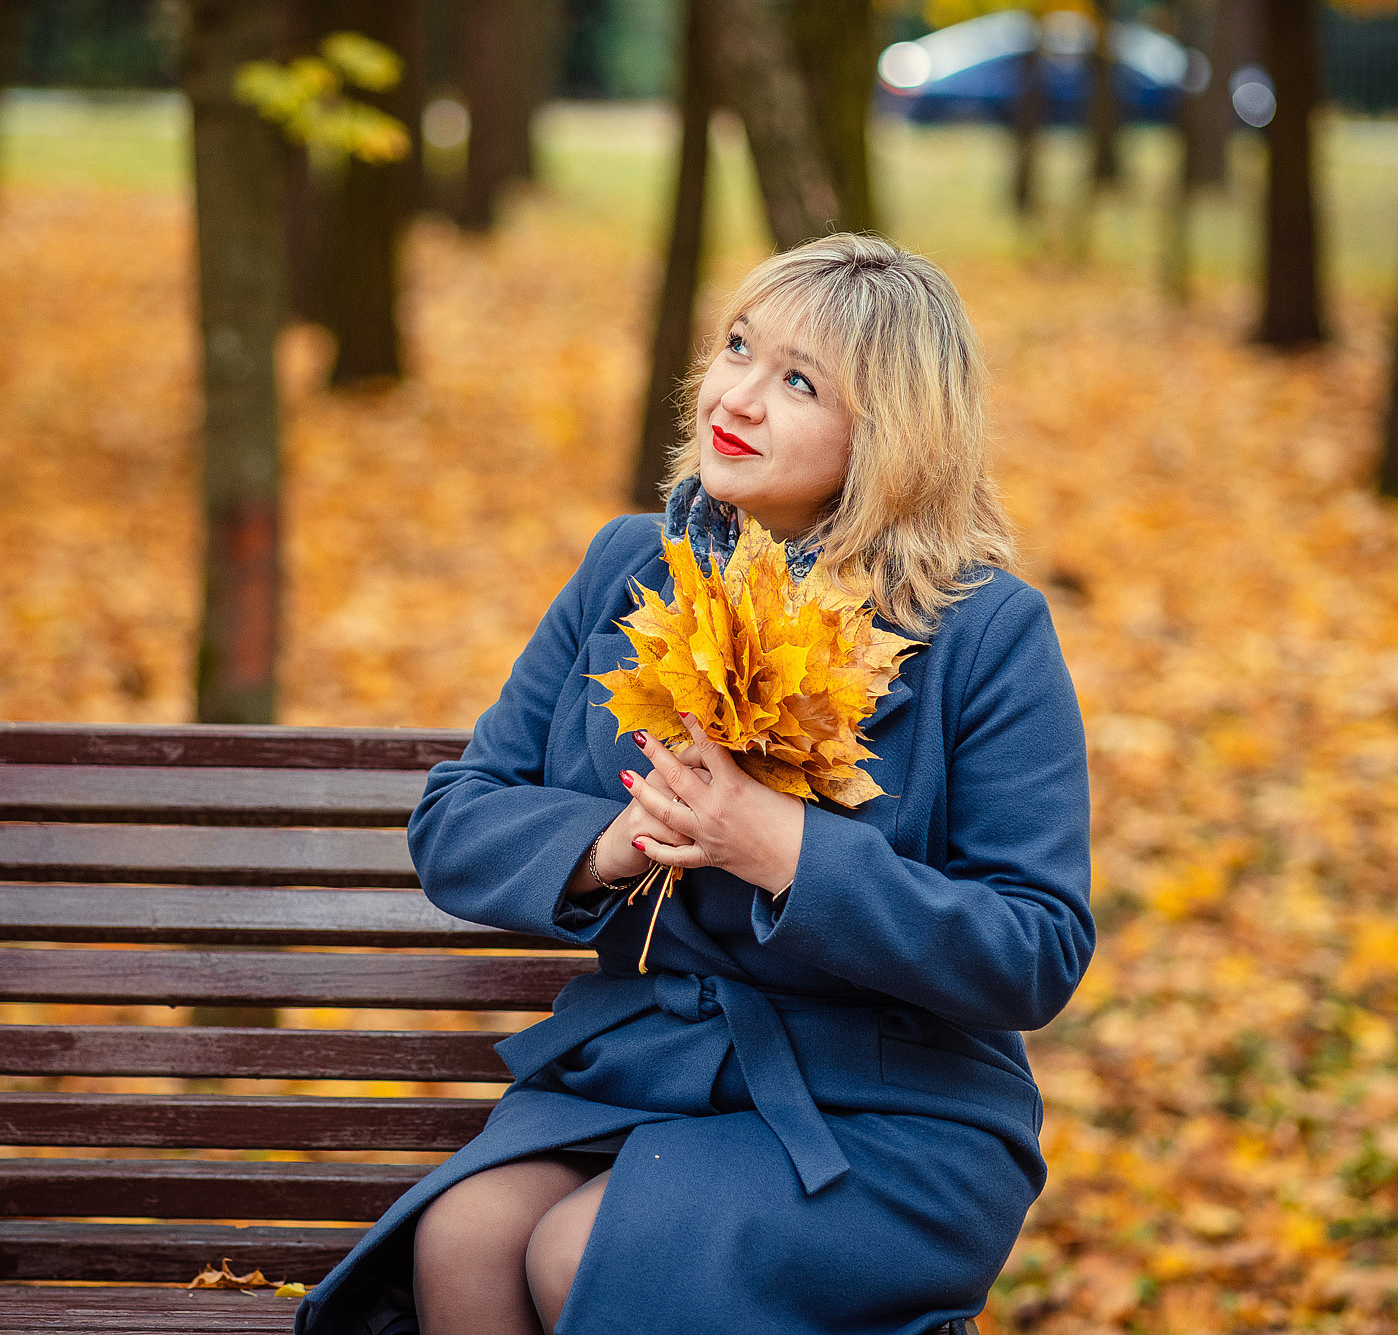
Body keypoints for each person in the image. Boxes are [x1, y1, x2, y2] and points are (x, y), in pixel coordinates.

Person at [294, 233, 1092, 1335]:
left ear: (891, 436)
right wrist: (613, 841)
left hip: (882, 1109)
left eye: (798, 382)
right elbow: (457, 817)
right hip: (640, 1074)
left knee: (588, 1257)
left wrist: (785, 853)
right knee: (465, 1237)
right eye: (736, 348)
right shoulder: (625, 571)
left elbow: (1035, 948)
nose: (739, 396)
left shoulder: (982, 634)